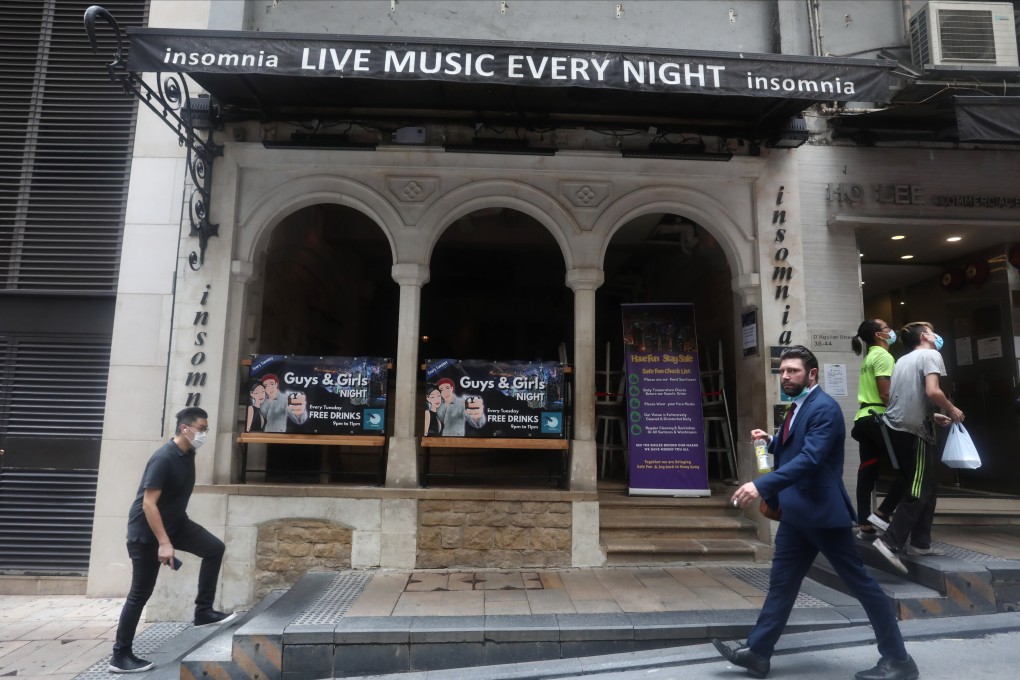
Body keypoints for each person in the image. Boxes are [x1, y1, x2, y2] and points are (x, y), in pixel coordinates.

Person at [713, 345, 917, 680]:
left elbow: (810, 459)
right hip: (798, 516)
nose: (785, 377)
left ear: (812, 374)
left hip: (822, 515)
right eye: (783, 371)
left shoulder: (825, 408)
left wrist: (760, 485)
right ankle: (758, 652)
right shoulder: (797, 407)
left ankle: (899, 660)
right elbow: (796, 449)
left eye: (793, 371)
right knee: (782, 584)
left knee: (861, 585)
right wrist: (770, 441)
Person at [109, 407, 236, 673]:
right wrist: (164, 543)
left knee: (214, 548)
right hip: (146, 533)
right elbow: (148, 504)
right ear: (184, 428)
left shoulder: (188, 454)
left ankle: (203, 612)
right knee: (140, 593)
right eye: (201, 429)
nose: (204, 434)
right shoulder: (164, 458)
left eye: (206, 429)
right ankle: (120, 656)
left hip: (177, 524)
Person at [874, 322, 964, 574]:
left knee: (928, 485)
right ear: (925, 336)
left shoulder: (902, 360)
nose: (936, 335)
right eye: (932, 331)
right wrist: (951, 408)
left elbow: (903, 398)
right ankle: (889, 541)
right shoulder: (930, 355)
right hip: (915, 431)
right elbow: (932, 391)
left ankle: (920, 543)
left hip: (898, 427)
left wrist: (933, 416)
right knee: (918, 488)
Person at [850, 319, 904, 539]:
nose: (892, 331)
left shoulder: (869, 357)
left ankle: (865, 524)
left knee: (867, 471)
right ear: (879, 335)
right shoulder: (883, 356)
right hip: (879, 419)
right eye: (887, 328)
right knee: (909, 470)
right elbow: (885, 393)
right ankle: (882, 514)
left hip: (864, 418)